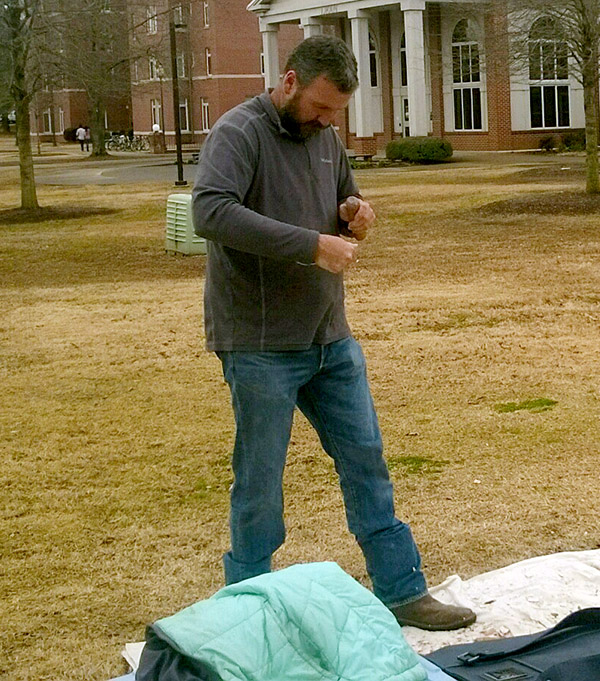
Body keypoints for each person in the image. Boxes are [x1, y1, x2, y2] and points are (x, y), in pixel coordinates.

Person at [192, 35, 476, 632]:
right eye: (320, 108)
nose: (327, 121)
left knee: (366, 461)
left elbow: (343, 195)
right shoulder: (239, 131)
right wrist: (310, 245)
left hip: (331, 337)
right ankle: (248, 612)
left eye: (336, 113)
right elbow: (210, 211)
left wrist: (354, 211)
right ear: (290, 81)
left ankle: (402, 590)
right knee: (261, 482)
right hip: (259, 342)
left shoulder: (326, 138)